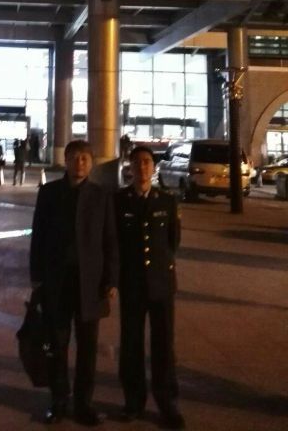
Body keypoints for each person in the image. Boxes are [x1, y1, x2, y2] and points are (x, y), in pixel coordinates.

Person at [30, 139, 118, 426]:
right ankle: (58, 400)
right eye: (74, 158)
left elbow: (110, 240)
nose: (79, 163)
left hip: (90, 284)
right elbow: (38, 236)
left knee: (88, 347)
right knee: (57, 344)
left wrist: (111, 279)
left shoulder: (101, 195)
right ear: (66, 161)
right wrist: (36, 277)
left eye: (84, 159)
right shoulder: (49, 193)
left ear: (91, 163)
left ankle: (84, 403)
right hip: (56, 282)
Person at [115, 145, 184, 429]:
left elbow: (172, 242)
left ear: (153, 167)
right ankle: (133, 401)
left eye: (146, 162)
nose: (142, 167)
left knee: (163, 344)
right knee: (131, 344)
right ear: (130, 168)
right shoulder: (119, 200)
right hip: (132, 284)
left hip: (161, 284)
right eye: (137, 162)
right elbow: (115, 243)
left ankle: (167, 402)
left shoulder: (167, 201)